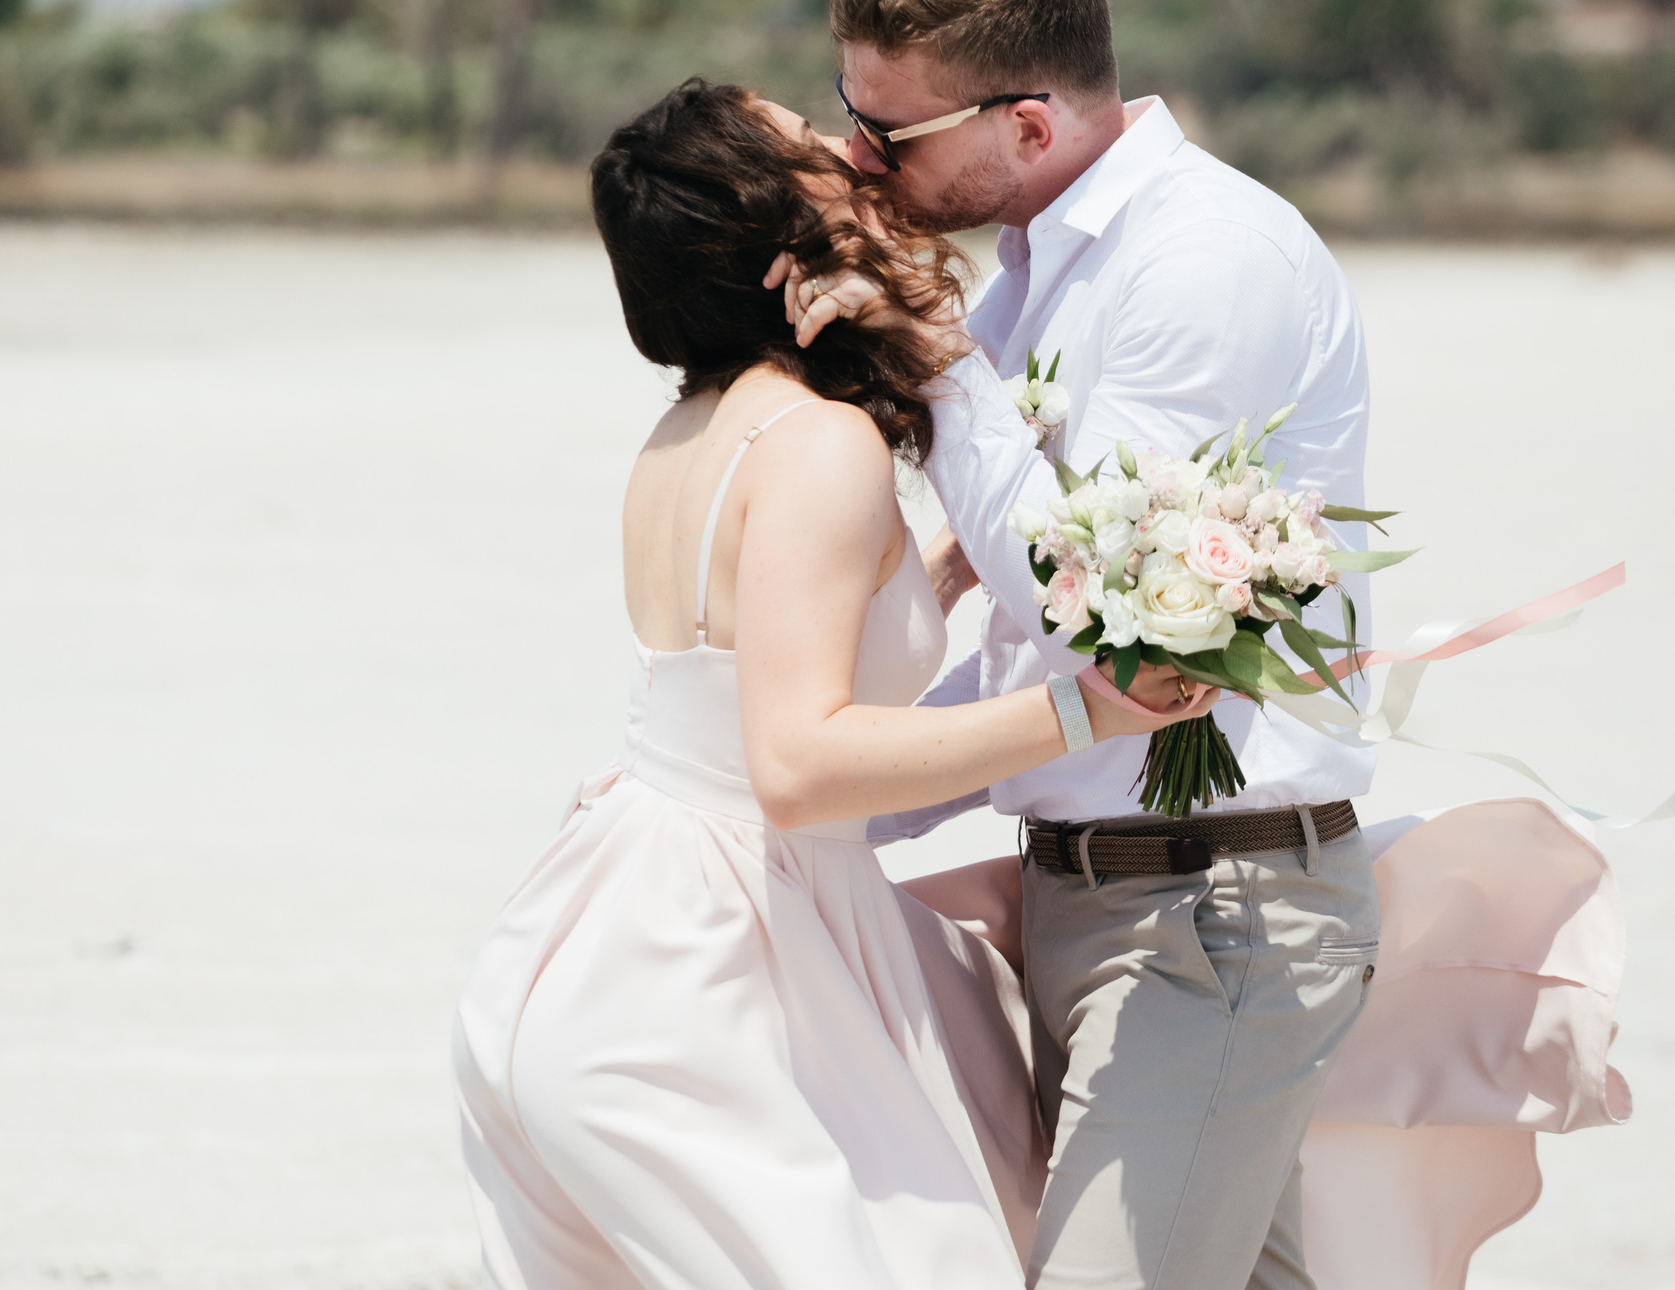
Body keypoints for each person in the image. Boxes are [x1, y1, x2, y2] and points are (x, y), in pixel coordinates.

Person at [449, 80, 1205, 1290]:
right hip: (722, 958)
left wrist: (958, 571)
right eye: (806, 141)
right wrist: (1091, 708)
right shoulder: (815, 444)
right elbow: (795, 767)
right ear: (769, 221)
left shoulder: (695, 427)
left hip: (637, 905)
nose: (848, 151)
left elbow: (764, 650)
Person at [771, 0, 1381, 1290]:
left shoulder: (1200, 262)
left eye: (892, 133)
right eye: (848, 117)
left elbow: (1089, 608)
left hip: (1217, 906)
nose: (864, 156)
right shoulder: (1036, 274)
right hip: (1100, 906)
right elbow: (994, 621)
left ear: (1029, 125)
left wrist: (932, 357)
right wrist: (804, 799)